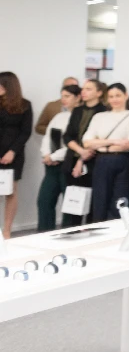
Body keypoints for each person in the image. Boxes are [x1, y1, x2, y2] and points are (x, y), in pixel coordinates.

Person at [83, 83, 129, 222]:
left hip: (124, 160)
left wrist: (101, 142)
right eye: (111, 96)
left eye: (118, 95)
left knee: (120, 200)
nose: (114, 99)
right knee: (100, 199)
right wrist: (114, 142)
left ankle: (117, 233)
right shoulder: (99, 116)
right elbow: (86, 141)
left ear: (125, 96)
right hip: (102, 160)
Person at [62, 80, 108, 227]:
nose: (84, 91)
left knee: (92, 202)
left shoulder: (104, 112)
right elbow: (68, 136)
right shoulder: (77, 110)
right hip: (74, 157)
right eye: (84, 89)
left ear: (99, 93)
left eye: (89, 89)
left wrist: (83, 157)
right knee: (73, 200)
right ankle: (71, 232)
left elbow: (101, 138)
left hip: (94, 161)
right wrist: (80, 151)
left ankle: (89, 232)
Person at [37, 84, 81, 232]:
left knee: (69, 204)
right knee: (44, 201)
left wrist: (55, 156)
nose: (63, 99)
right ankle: (44, 233)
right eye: (62, 96)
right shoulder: (59, 116)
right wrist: (46, 155)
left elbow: (74, 142)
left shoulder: (80, 117)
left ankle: (68, 235)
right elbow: (47, 137)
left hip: (68, 164)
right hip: (51, 165)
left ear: (78, 98)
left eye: (67, 96)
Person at [0, 72, 33, 238]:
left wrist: (12, 151)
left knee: (10, 191)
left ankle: (7, 230)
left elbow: (25, 132)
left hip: (13, 154)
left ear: (8, 86)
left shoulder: (25, 105)